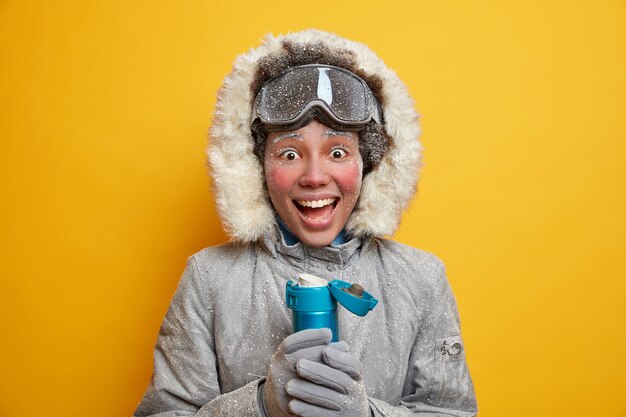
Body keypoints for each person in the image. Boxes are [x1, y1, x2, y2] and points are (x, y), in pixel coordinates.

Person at [134, 29, 477, 417]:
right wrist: (260, 404)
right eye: (290, 153)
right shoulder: (208, 279)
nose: (314, 176)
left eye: (337, 151)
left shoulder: (422, 280)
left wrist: (367, 415)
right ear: (256, 167)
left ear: (371, 164)